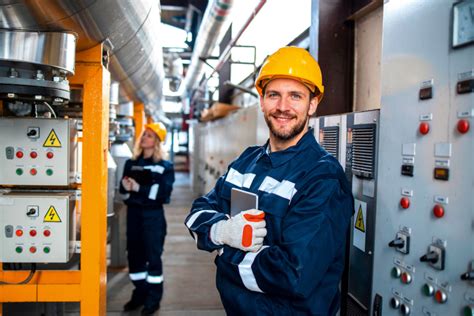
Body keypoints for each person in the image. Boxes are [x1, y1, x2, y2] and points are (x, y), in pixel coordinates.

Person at [184, 46, 354, 315]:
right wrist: (223, 232)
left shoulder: (323, 178)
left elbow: (293, 275)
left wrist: (222, 253)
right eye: (274, 95)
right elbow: (197, 214)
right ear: (262, 101)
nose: (283, 107)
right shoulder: (247, 161)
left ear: (312, 104)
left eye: (295, 96)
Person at [120, 122, 175, 315]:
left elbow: (163, 193)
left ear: (158, 142)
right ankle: (140, 294)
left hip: (153, 217)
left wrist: (138, 189)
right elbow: (122, 190)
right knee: (134, 257)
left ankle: (154, 298)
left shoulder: (165, 166)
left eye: (150, 136)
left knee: (153, 257)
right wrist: (126, 186)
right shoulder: (131, 162)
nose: (144, 138)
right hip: (134, 214)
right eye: (144, 135)